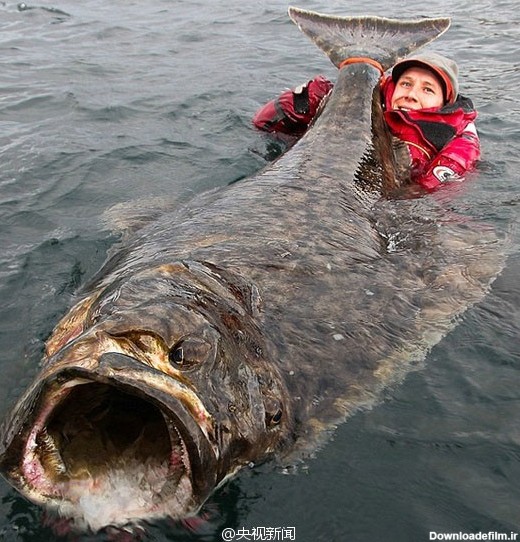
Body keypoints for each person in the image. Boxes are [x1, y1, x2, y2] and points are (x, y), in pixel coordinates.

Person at [252, 53, 480, 191]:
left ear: (445, 102)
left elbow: (436, 194)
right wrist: (303, 102)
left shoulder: (458, 140)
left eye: (427, 89)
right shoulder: (359, 103)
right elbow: (263, 125)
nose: (411, 94)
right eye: (406, 84)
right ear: (392, 88)